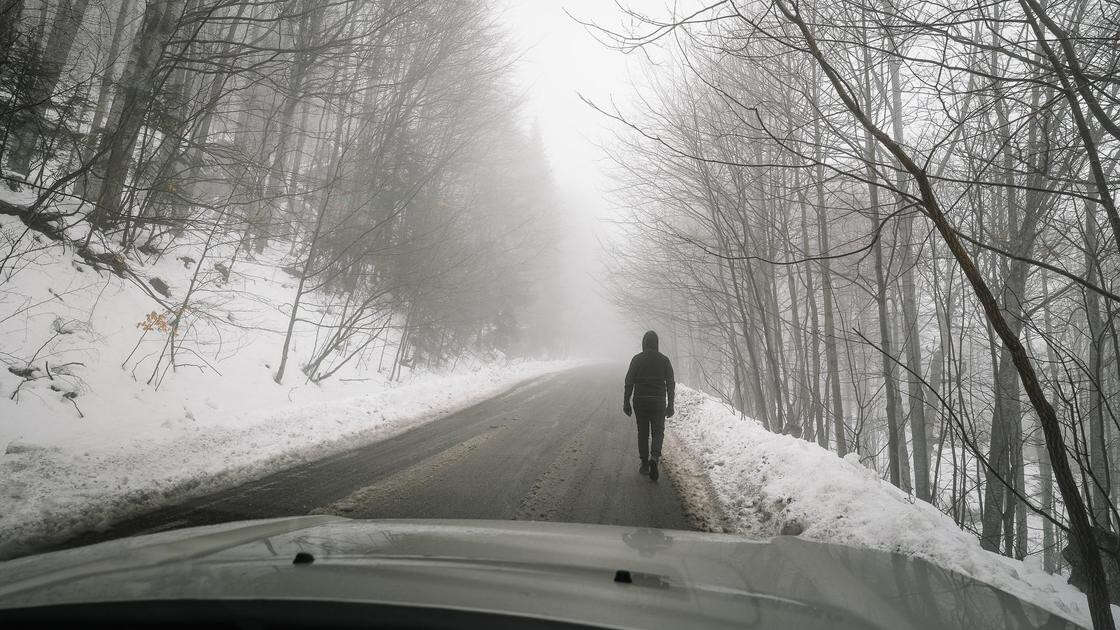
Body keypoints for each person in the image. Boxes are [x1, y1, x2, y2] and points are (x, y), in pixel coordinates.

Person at [623, 330, 675, 481]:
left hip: (640, 401)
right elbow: (670, 384)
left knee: (643, 433)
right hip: (658, 401)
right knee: (658, 432)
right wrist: (670, 404)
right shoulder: (664, 360)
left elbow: (629, 381)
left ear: (644, 343)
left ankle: (644, 464)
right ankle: (655, 459)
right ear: (656, 343)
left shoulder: (637, 359)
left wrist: (626, 402)